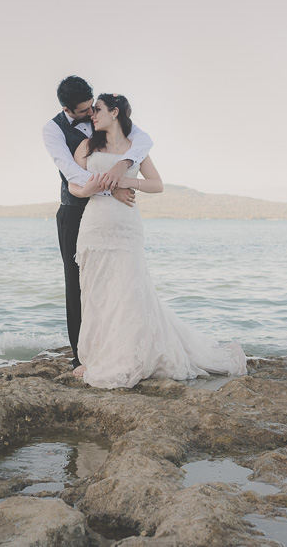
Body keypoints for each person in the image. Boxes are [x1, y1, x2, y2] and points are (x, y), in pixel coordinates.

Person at [66, 93, 247, 389]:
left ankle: (130, 353)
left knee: (129, 290)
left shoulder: (135, 149)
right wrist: (95, 188)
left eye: (97, 110)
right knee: (95, 291)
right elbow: (74, 185)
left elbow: (157, 184)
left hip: (126, 227)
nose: (92, 116)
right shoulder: (87, 146)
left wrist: (126, 181)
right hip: (95, 226)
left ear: (115, 112)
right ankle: (95, 355)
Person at [42, 76, 154, 375]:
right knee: (76, 284)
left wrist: (123, 165)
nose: (90, 115)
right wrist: (110, 188)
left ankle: (116, 347)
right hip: (74, 210)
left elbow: (143, 141)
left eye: (93, 108)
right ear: (68, 108)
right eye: (84, 111)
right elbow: (70, 172)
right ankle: (82, 357)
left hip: (109, 213)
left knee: (114, 283)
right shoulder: (52, 130)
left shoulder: (101, 116)